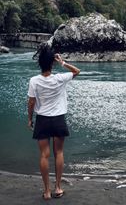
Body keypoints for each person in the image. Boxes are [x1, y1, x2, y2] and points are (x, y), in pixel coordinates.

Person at [27, 44, 80, 200]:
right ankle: (57, 188)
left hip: (42, 120)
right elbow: (77, 71)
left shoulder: (34, 81)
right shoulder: (60, 78)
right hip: (58, 120)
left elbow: (31, 102)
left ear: (40, 63)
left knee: (44, 155)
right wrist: (62, 62)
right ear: (52, 63)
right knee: (59, 153)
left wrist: (30, 119)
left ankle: (47, 191)